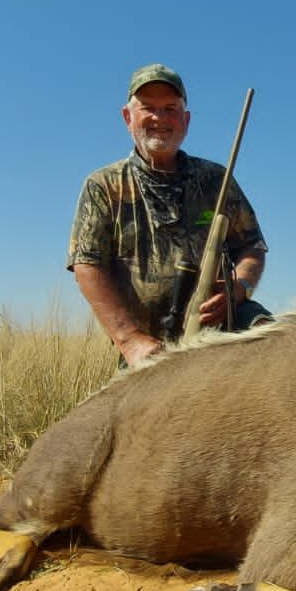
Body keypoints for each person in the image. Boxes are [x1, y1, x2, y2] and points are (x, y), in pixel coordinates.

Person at [68, 63, 271, 366]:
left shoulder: (218, 180)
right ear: (128, 117)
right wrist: (129, 340)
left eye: (170, 109)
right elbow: (87, 265)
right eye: (148, 108)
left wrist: (239, 289)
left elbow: (252, 246)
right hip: (148, 352)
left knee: (275, 341)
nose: (159, 118)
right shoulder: (103, 186)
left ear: (186, 120)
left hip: (219, 342)